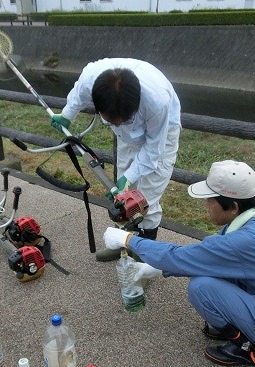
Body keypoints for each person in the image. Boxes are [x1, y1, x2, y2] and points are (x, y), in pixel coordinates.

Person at [103, 160, 255, 366]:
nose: (206, 204)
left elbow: (182, 257)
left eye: (210, 200)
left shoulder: (245, 240)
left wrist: (127, 240)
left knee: (202, 288)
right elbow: (208, 254)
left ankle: (250, 346)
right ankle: (241, 324)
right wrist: (157, 269)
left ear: (233, 206)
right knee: (210, 274)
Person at [51, 58, 181, 261]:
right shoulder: (91, 78)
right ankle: (124, 243)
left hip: (161, 133)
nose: (117, 125)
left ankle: (144, 259)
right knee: (123, 195)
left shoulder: (158, 102)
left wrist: (130, 175)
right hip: (128, 133)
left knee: (145, 199)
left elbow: (154, 149)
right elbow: (79, 93)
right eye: (111, 122)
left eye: (123, 121)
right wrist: (67, 114)